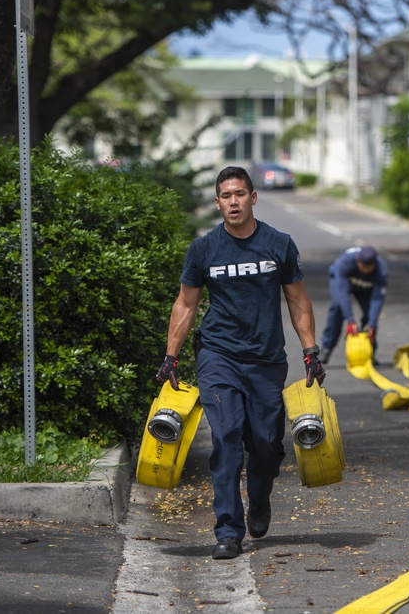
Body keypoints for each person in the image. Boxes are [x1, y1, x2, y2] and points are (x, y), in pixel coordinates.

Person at [155, 165, 326, 560]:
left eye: (239, 194)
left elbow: (298, 300)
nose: (233, 202)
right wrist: (171, 356)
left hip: (266, 358)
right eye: (225, 196)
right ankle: (228, 530)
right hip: (218, 355)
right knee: (227, 438)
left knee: (265, 445)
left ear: (253, 197)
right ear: (217, 203)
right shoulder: (204, 250)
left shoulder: (278, 244)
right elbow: (186, 303)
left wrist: (310, 351)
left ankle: (260, 496)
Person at [320, 245, 388, 364]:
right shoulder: (344, 263)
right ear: (358, 261)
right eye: (363, 267)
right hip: (341, 281)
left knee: (370, 316)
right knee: (337, 308)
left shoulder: (381, 270)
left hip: (365, 287)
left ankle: (369, 351)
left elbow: (377, 299)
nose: (366, 270)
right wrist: (350, 320)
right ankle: (327, 348)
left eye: (369, 267)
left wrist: (371, 324)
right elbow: (342, 292)